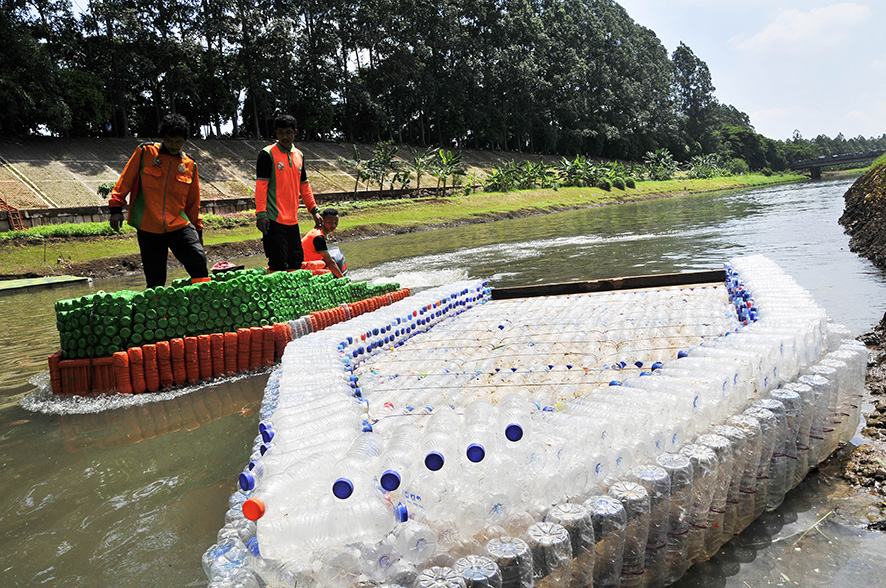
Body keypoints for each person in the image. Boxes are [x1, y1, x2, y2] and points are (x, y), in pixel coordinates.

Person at [108, 114, 209, 288]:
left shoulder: (190, 165)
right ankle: (157, 313)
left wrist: (197, 230)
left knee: (198, 260)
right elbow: (125, 180)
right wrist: (116, 208)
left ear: (185, 141)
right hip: (149, 227)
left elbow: (193, 202)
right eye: (170, 141)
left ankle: (202, 305)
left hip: (178, 225)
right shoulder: (145, 152)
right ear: (163, 138)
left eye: (179, 142)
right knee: (155, 278)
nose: (174, 146)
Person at [255, 115, 323, 271]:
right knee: (278, 262)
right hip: (273, 219)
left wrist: (314, 210)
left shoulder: (299, 155)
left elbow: (304, 187)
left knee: (296, 261)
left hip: (292, 220)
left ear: (295, 132)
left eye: (288, 132)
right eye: (280, 133)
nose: (284, 137)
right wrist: (261, 214)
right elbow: (261, 187)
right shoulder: (267, 154)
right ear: (276, 133)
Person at [301, 208, 345, 277]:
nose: (333, 225)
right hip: (303, 268)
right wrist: (343, 279)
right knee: (330, 273)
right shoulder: (318, 237)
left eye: (335, 222)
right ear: (322, 220)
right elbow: (330, 262)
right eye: (330, 222)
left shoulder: (316, 232)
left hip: (308, 264)